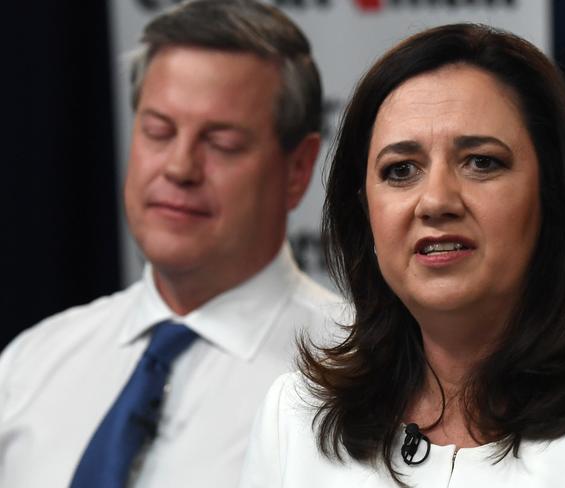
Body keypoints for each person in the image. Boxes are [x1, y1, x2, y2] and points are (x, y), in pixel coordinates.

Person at [239, 23, 565, 488]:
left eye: (481, 162)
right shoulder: (295, 421)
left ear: (553, 194)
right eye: (400, 170)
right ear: (365, 211)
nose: (435, 201)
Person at [0, 1, 344, 487]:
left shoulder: (357, 377)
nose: (179, 168)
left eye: (221, 143)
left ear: (298, 170)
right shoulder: (30, 366)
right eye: (158, 132)